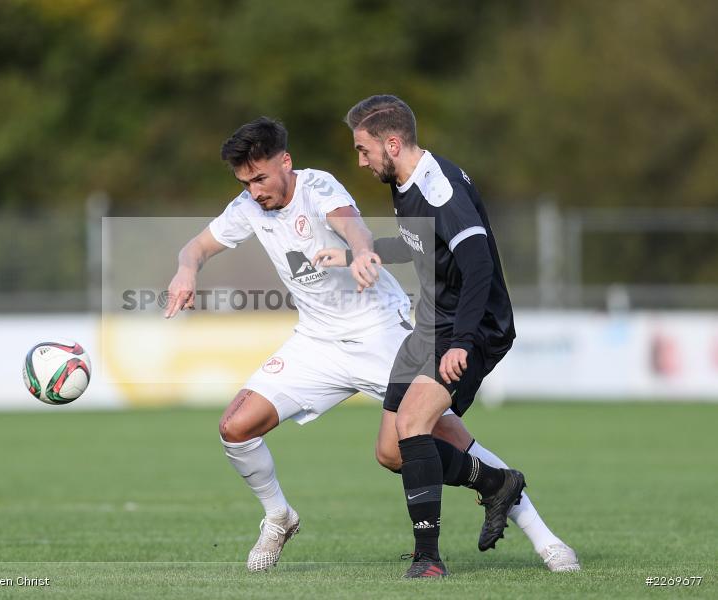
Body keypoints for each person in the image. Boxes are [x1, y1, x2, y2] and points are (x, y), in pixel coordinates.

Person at [164, 116, 578, 575]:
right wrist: (187, 269)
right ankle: (279, 517)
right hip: (317, 342)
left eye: (261, 177)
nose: (255, 190)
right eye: (245, 181)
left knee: (433, 437)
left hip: (381, 330)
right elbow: (195, 247)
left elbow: (353, 226)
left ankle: (546, 539)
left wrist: (362, 252)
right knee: (235, 427)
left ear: (286, 161)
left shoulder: (318, 187)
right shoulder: (247, 207)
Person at [314, 94, 580, 577]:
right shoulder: (403, 180)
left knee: (415, 424)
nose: (360, 160)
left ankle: (428, 559)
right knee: (391, 451)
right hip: (431, 324)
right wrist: (364, 253)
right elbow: (424, 245)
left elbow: (478, 266)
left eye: (362, 149)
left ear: (392, 143)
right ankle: (496, 482)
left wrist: (461, 341)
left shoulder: (441, 189)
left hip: (473, 328)